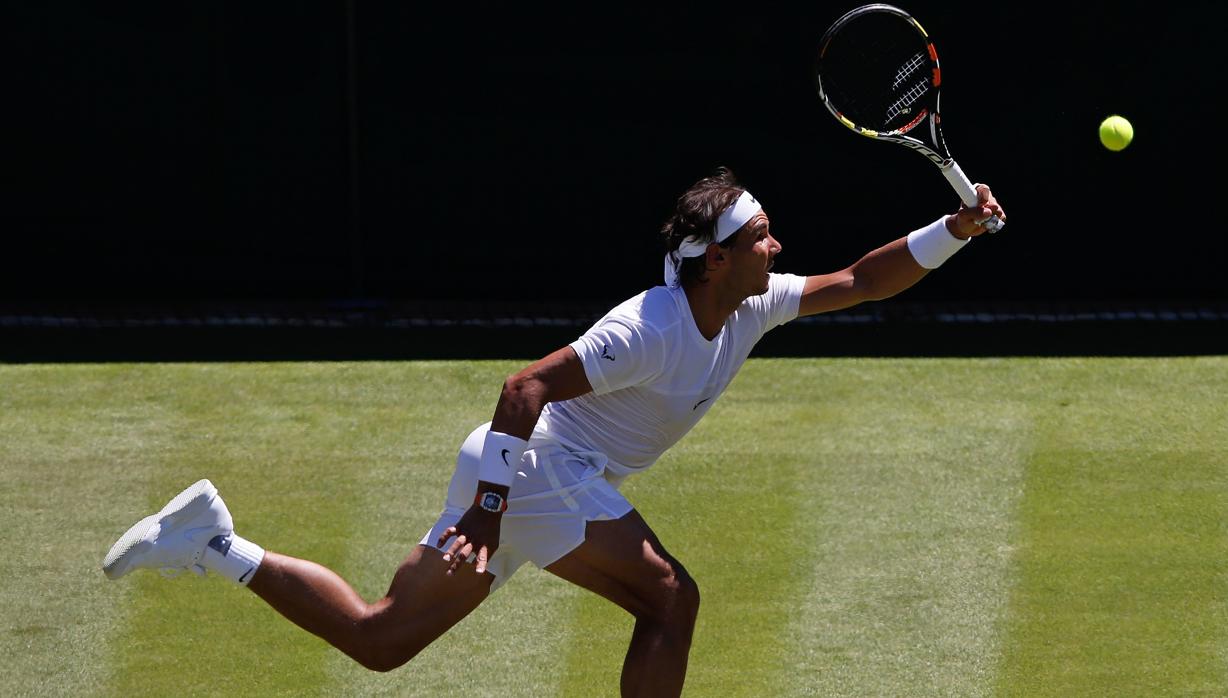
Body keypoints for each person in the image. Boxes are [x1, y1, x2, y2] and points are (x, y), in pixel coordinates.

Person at [102, 167, 1004, 696]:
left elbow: (858, 280)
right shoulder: (647, 327)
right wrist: (491, 512)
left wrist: (954, 230)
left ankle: (215, 544)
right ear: (716, 257)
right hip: (536, 469)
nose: (780, 245)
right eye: (763, 236)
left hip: (545, 480)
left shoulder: (751, 304)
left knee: (381, 643)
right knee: (670, 600)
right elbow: (523, 386)